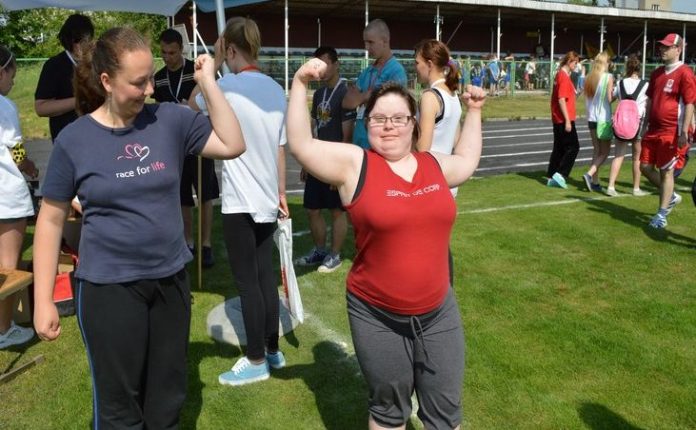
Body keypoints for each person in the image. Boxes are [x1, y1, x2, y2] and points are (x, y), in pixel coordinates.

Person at [32, 27, 246, 428]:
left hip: (169, 283)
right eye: (139, 81)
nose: (150, 88)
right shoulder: (75, 140)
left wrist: (208, 83)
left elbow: (233, 143)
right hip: (109, 289)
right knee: (119, 406)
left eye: (151, 77)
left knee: (166, 399)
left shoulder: (169, 120)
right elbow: (50, 219)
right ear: (107, 81)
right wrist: (44, 299)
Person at [288, 56, 486, 430]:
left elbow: (467, 160)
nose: (389, 126)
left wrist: (474, 112)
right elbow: (300, 144)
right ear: (368, 123)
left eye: (399, 118)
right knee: (389, 411)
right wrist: (300, 84)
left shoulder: (434, 165)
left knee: (445, 414)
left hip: (438, 313)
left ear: (414, 124)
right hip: (377, 315)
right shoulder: (354, 165)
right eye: (379, 118)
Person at [189, 17, 289, 386]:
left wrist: (212, 62)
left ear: (229, 49)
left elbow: (190, 105)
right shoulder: (277, 89)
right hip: (265, 194)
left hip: (240, 199)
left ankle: (257, 358)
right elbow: (280, 149)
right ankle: (273, 350)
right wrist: (281, 193)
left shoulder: (225, 86)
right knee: (265, 278)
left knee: (248, 281)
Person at [153, 28, 220, 268]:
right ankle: (188, 241)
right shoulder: (158, 77)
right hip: (173, 146)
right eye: (163, 52)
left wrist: (191, 108)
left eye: (171, 52)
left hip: (200, 143)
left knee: (205, 195)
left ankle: (206, 244)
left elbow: (214, 100)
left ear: (181, 49)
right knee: (181, 198)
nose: (167, 57)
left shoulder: (196, 71)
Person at [295, 46, 354, 273]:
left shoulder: (345, 91)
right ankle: (319, 250)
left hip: (336, 160)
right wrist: (306, 162)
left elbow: (347, 134)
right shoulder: (318, 94)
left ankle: (335, 255)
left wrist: (340, 170)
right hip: (316, 158)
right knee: (312, 208)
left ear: (336, 64)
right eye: (317, 63)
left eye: (325, 63)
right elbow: (313, 128)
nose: (321, 68)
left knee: (337, 210)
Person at [414, 39, 462, 284]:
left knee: (427, 248)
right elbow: (456, 140)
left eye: (418, 63)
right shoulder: (453, 95)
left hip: (429, 182)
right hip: (448, 183)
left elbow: (423, 148)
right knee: (440, 245)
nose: (416, 68)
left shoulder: (430, 97)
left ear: (430, 64)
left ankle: (439, 297)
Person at [0, 46, 38, 349]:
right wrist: (29, 167)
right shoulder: (5, 105)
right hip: (7, 196)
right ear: (2, 71)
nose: (13, 81)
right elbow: (16, 150)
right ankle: (3, 330)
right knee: (8, 268)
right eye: (12, 74)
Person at [640, 33, 696, 229]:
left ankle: (661, 214)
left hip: (671, 131)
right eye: (661, 47)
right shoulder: (656, 73)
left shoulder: (685, 73)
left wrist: (683, 132)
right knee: (645, 168)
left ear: (678, 50)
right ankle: (670, 196)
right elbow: (650, 101)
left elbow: (689, 104)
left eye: (667, 47)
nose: (662, 50)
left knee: (666, 172)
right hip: (653, 129)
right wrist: (644, 123)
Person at [342, 19, 407, 149]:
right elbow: (347, 102)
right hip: (359, 141)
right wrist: (368, 95)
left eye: (370, 42)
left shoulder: (396, 71)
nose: (366, 48)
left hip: (380, 145)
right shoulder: (367, 71)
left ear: (385, 41)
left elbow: (388, 105)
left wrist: (360, 97)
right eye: (365, 42)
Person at [34, 14, 94, 141]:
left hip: (93, 135)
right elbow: (41, 108)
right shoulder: (54, 66)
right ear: (70, 40)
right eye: (80, 41)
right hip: (67, 138)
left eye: (88, 40)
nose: (84, 45)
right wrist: (81, 100)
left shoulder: (94, 62)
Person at [606, 55, 650, 197]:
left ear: (627, 68)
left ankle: (611, 186)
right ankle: (636, 188)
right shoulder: (645, 85)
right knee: (637, 157)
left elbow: (611, 99)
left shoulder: (620, 83)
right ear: (639, 68)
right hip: (638, 122)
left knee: (618, 155)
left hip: (622, 122)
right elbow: (648, 104)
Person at [546, 51, 581, 188]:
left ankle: (551, 174)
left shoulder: (562, 75)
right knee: (573, 147)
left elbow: (567, 96)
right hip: (563, 119)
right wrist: (567, 120)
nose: (576, 65)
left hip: (559, 118)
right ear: (569, 61)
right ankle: (561, 174)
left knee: (559, 148)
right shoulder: (563, 76)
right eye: (575, 62)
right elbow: (561, 100)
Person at [581, 52, 615, 192]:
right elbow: (609, 98)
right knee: (605, 152)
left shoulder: (590, 78)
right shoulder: (608, 77)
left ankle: (595, 181)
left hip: (591, 119)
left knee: (597, 150)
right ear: (605, 63)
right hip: (603, 119)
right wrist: (617, 94)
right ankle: (589, 174)